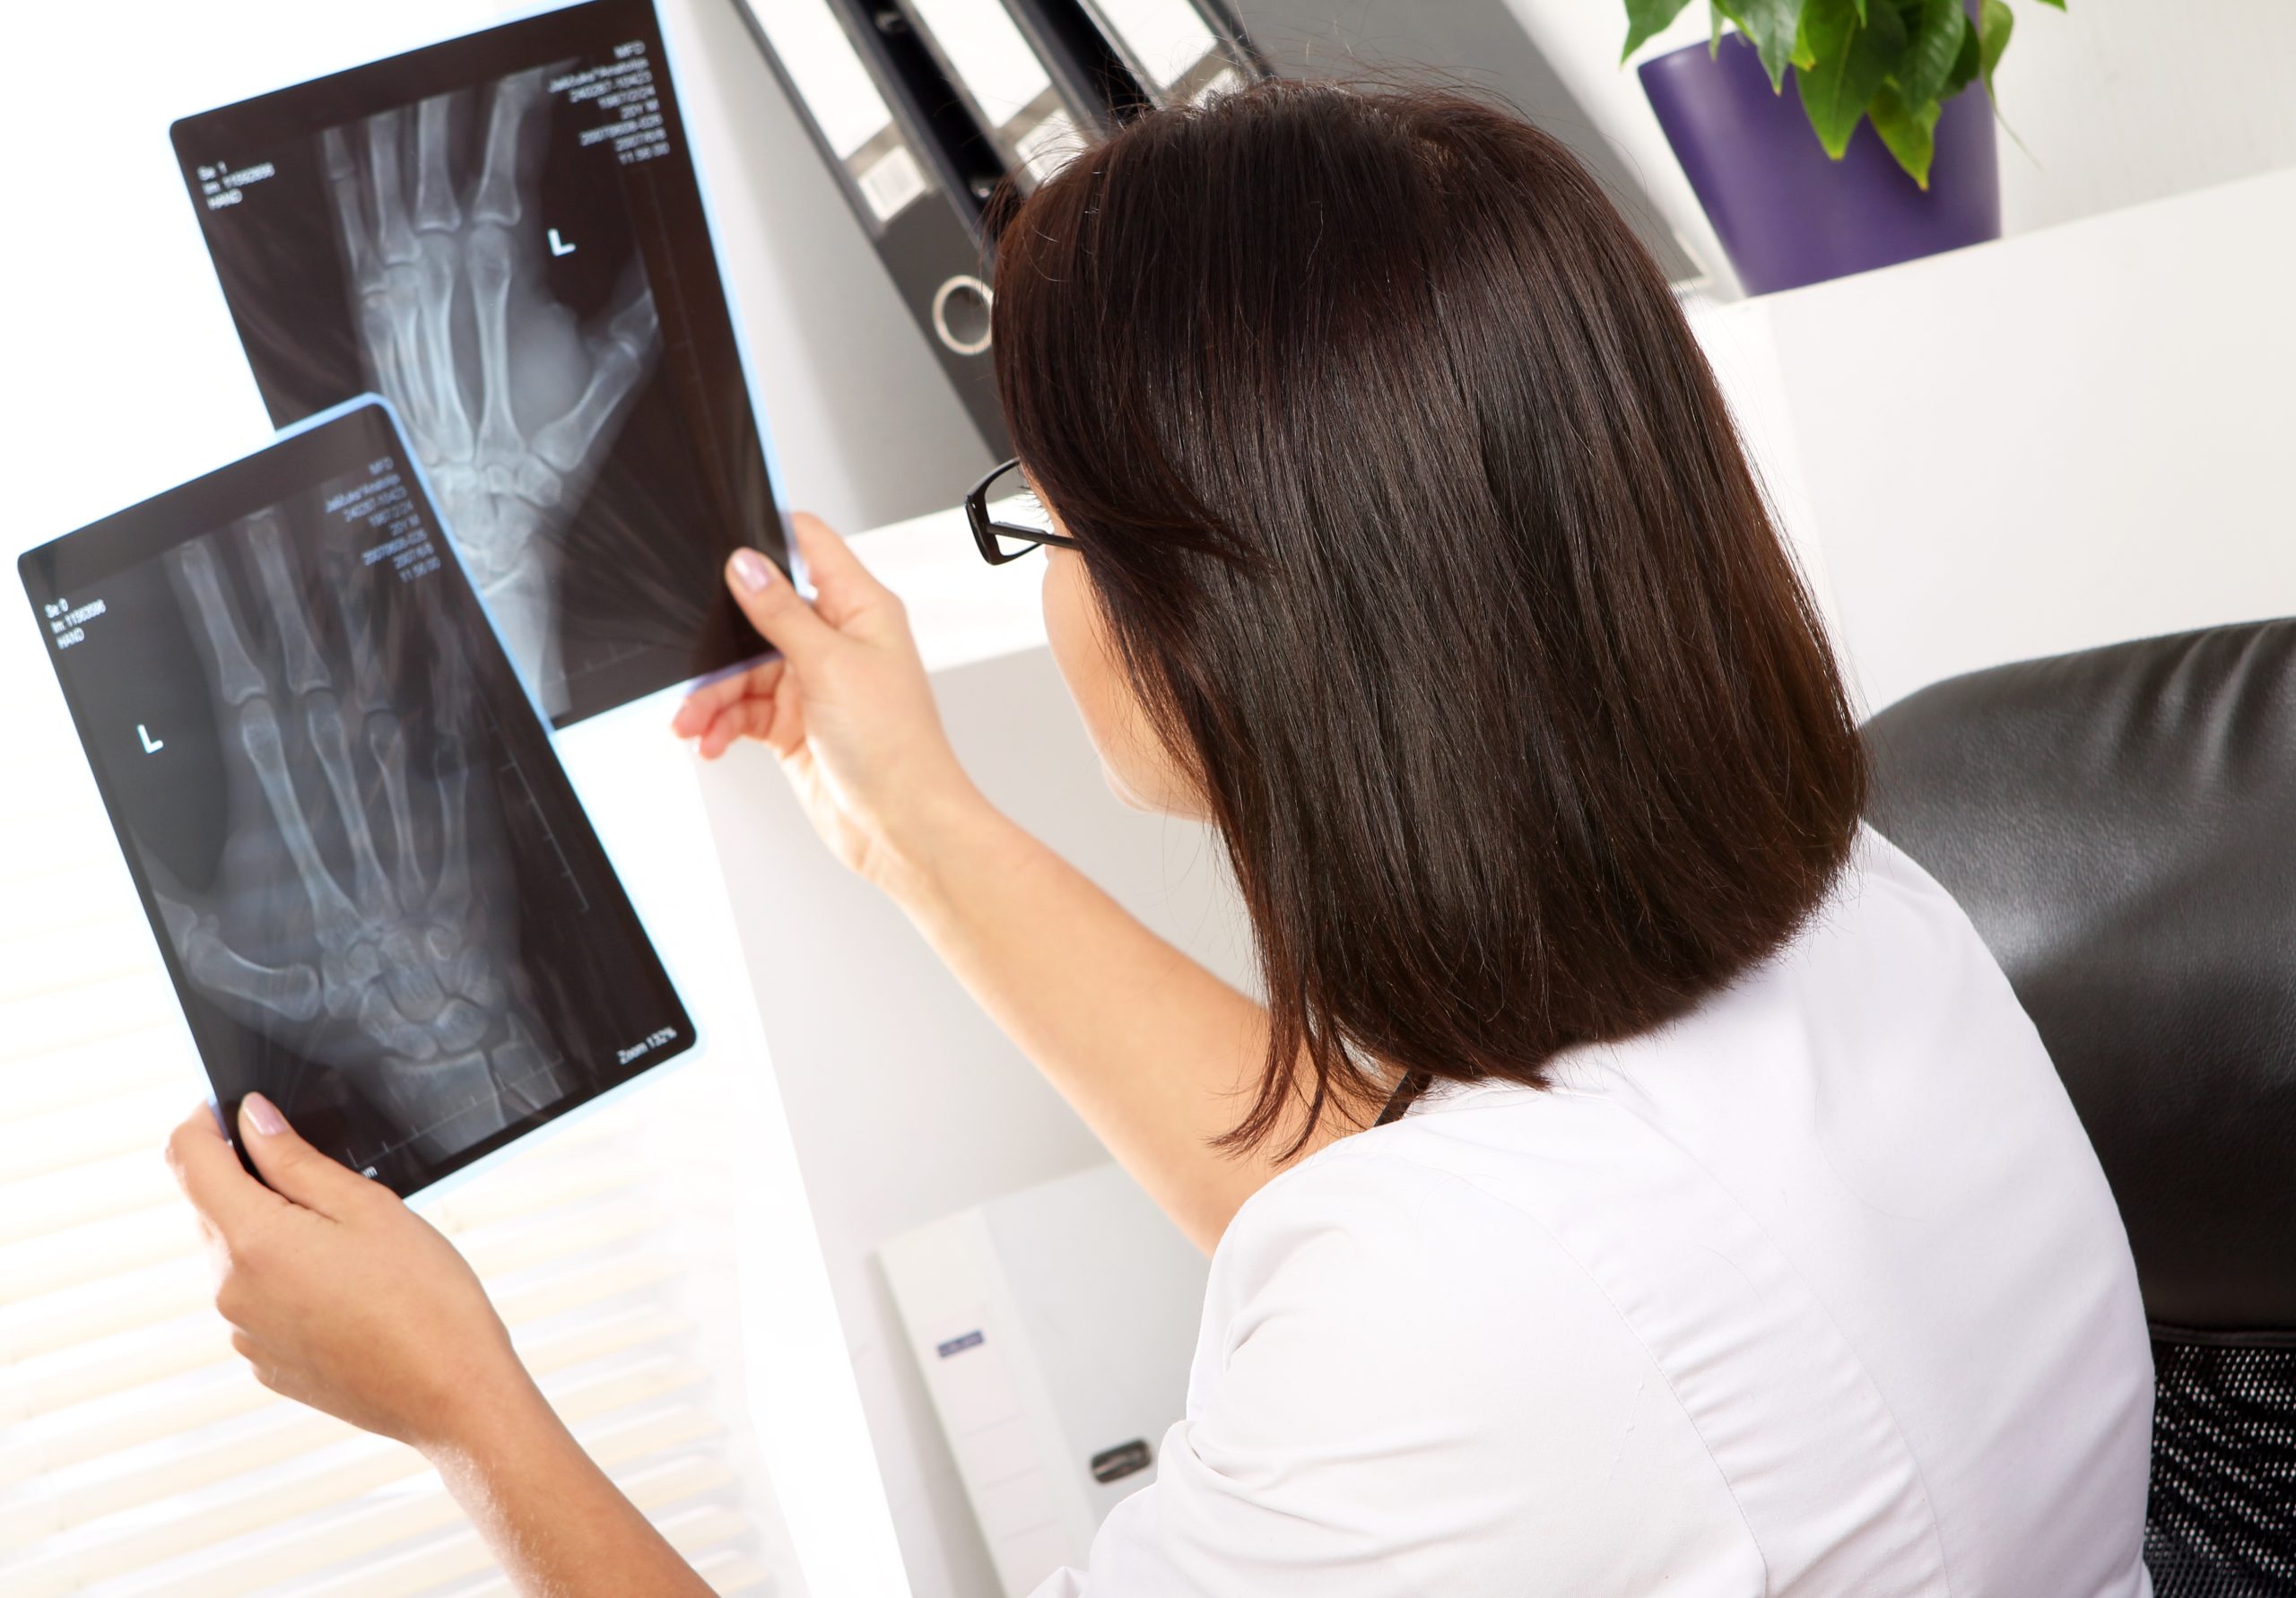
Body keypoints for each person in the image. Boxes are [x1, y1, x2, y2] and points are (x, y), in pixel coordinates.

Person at [167, 81, 2155, 1595]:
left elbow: (1468, 1293)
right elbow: (1464, 1234)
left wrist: (467, 1414)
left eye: (1044, 511)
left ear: (1233, 630)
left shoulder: (1455, 1315)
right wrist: (908, 822)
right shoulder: (1873, 931)